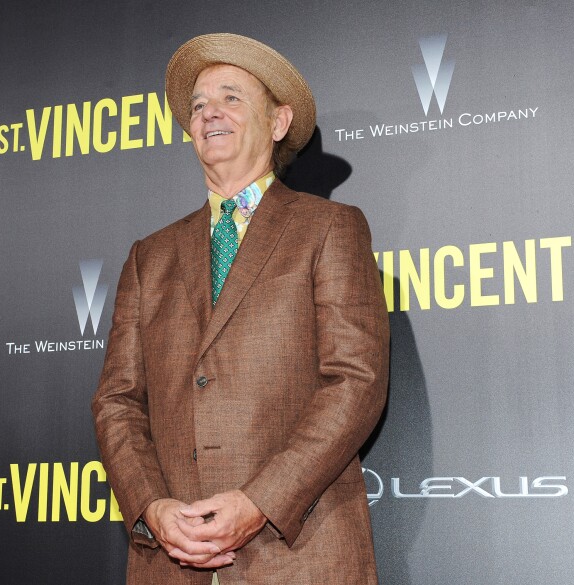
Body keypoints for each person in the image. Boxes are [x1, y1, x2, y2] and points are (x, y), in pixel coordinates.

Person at [92, 33, 389, 585]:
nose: (209, 114)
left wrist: (260, 502)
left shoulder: (329, 228)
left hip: (300, 554)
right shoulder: (147, 256)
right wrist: (151, 508)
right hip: (171, 561)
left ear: (278, 123)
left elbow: (356, 381)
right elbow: (117, 401)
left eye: (230, 97)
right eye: (198, 105)